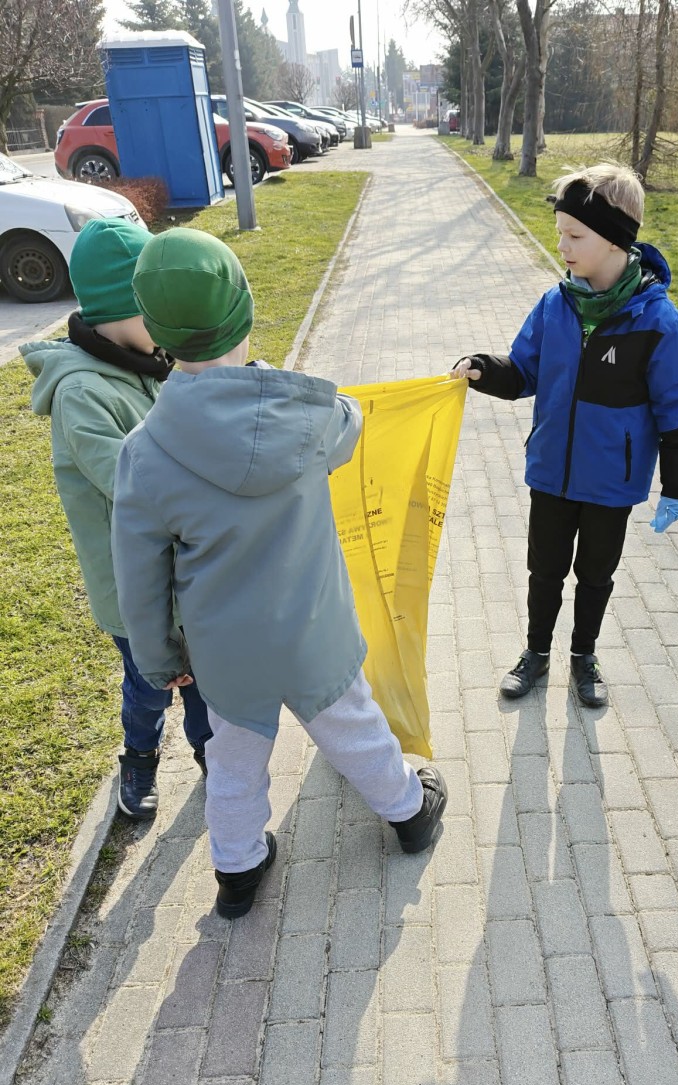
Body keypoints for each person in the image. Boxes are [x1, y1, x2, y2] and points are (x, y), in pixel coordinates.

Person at [111, 228, 448, 919]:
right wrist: (278, 385)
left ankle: (237, 871)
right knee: (355, 728)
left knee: (233, 764)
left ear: (157, 333)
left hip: (226, 654)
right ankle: (409, 813)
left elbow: (139, 576)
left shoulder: (143, 454)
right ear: (244, 312)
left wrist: (158, 658)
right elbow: (350, 420)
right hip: (315, 631)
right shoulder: (306, 416)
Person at [451, 161, 678, 708]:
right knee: (544, 570)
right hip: (551, 472)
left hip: (611, 481)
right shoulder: (556, 304)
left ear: (614, 239)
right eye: (560, 232)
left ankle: (584, 656)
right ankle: (536, 651)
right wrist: (484, 369)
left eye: (574, 235)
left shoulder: (658, 323)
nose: (561, 245)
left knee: (595, 575)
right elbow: (524, 370)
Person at [21, 218, 211, 823]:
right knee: (150, 686)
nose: (167, 323)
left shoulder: (153, 362)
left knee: (205, 679)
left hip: (189, 575)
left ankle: (214, 754)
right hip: (135, 593)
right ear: (122, 306)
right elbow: (138, 487)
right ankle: (139, 758)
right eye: (156, 308)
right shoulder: (82, 394)